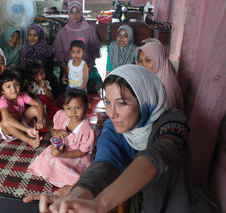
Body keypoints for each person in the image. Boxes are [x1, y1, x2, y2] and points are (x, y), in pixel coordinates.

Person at [23, 64, 192, 213]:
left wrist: (100, 203)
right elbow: (104, 164)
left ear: (144, 99)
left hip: (165, 203)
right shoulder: (113, 127)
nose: (111, 113)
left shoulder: (172, 123)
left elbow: (158, 155)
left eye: (122, 103)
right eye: (108, 102)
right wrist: (76, 196)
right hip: (131, 202)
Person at [28, 88, 95, 188]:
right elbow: (51, 128)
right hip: (62, 149)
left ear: (87, 107)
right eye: (68, 108)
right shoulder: (62, 116)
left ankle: (71, 181)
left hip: (77, 156)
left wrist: (63, 154)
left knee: (58, 162)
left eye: (78, 108)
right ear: (63, 107)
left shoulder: (87, 130)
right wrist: (54, 131)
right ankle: (53, 173)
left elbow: (83, 152)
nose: (73, 112)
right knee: (48, 154)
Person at [54, 1, 101, 94]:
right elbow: (60, 57)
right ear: (69, 14)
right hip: (70, 68)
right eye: (72, 12)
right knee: (64, 85)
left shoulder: (90, 30)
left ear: (81, 13)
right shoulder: (63, 32)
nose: (75, 15)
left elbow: (93, 54)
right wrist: (67, 70)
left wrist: (89, 67)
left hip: (86, 67)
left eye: (77, 12)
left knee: (92, 83)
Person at [0, 69, 51, 148]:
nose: (13, 89)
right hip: (10, 129)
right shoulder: (3, 101)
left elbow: (38, 104)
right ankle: (29, 140)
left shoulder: (22, 95)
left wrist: (39, 120)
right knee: (4, 122)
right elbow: (7, 119)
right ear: (2, 91)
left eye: (16, 84)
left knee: (35, 109)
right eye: (8, 87)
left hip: (21, 122)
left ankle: (53, 130)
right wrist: (27, 130)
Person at [136, 42, 184, 112]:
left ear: (159, 60)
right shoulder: (154, 80)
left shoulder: (165, 88)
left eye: (148, 60)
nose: (143, 66)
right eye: (140, 61)